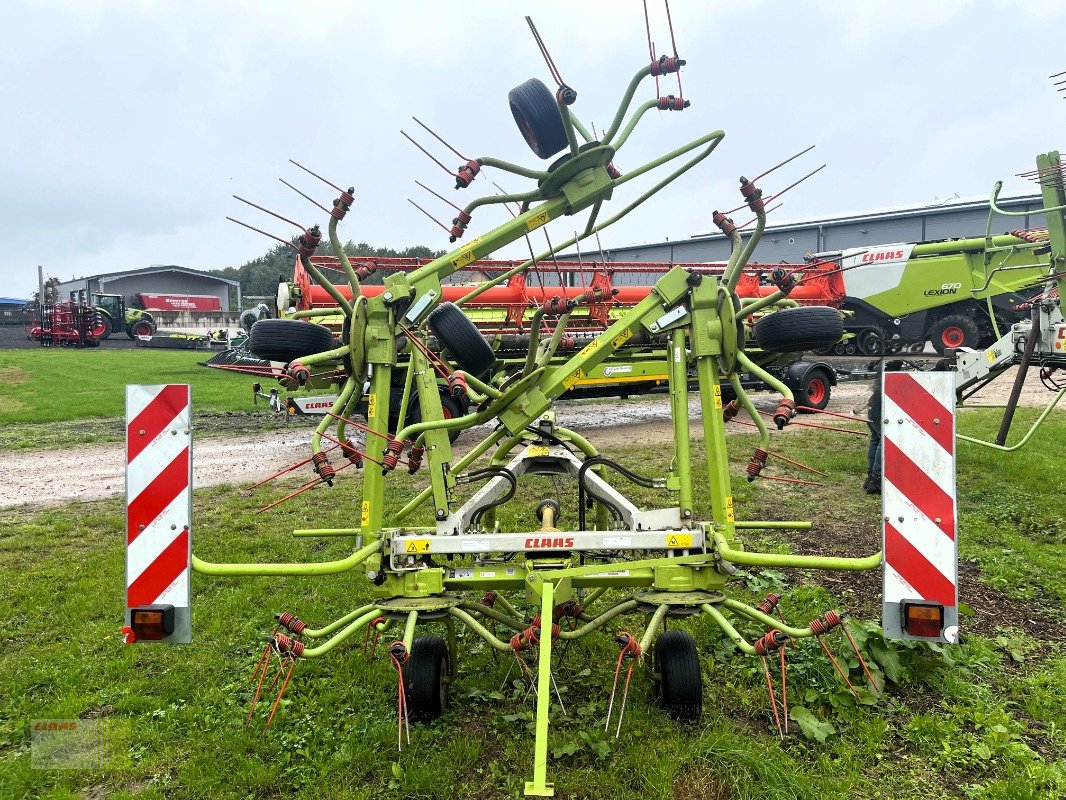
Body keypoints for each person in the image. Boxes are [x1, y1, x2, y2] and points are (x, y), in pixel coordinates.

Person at [864, 360, 906, 494]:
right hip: (879, 413)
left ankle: (871, 476)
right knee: (883, 441)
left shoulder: (881, 375)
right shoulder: (892, 378)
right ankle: (877, 479)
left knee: (875, 441)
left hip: (873, 410)